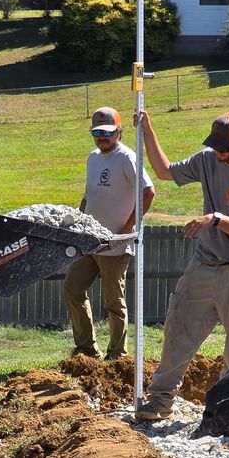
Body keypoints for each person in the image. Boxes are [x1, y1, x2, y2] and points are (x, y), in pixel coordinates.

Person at [134, 110, 229, 421]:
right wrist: (146, 129)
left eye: (225, 148)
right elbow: (165, 171)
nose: (218, 153)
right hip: (204, 265)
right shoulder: (208, 159)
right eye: (215, 146)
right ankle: (160, 400)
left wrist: (216, 219)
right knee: (178, 326)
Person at [64, 106, 154, 361]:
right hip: (89, 241)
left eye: (106, 132)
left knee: (114, 301)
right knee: (73, 287)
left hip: (115, 244)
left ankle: (117, 354)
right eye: (97, 132)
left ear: (118, 132)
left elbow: (148, 191)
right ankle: (86, 349)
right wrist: (78, 221)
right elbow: (88, 195)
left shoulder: (126, 158)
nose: (101, 136)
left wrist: (128, 227)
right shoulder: (93, 158)